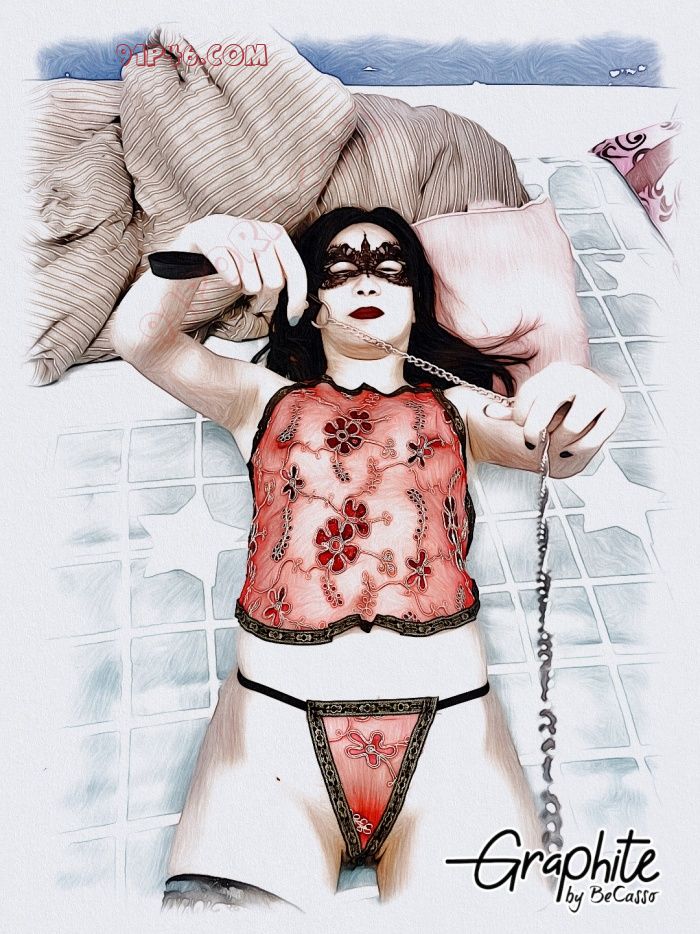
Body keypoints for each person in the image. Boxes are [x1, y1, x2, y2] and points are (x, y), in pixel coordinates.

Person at [112, 206, 624, 917]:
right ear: (312, 306)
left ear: (418, 304)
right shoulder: (257, 398)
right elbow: (142, 340)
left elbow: (557, 450)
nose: (366, 281)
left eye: (391, 269)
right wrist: (194, 245)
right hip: (271, 743)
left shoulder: (460, 410)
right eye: (339, 270)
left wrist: (586, 398)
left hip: (452, 746)